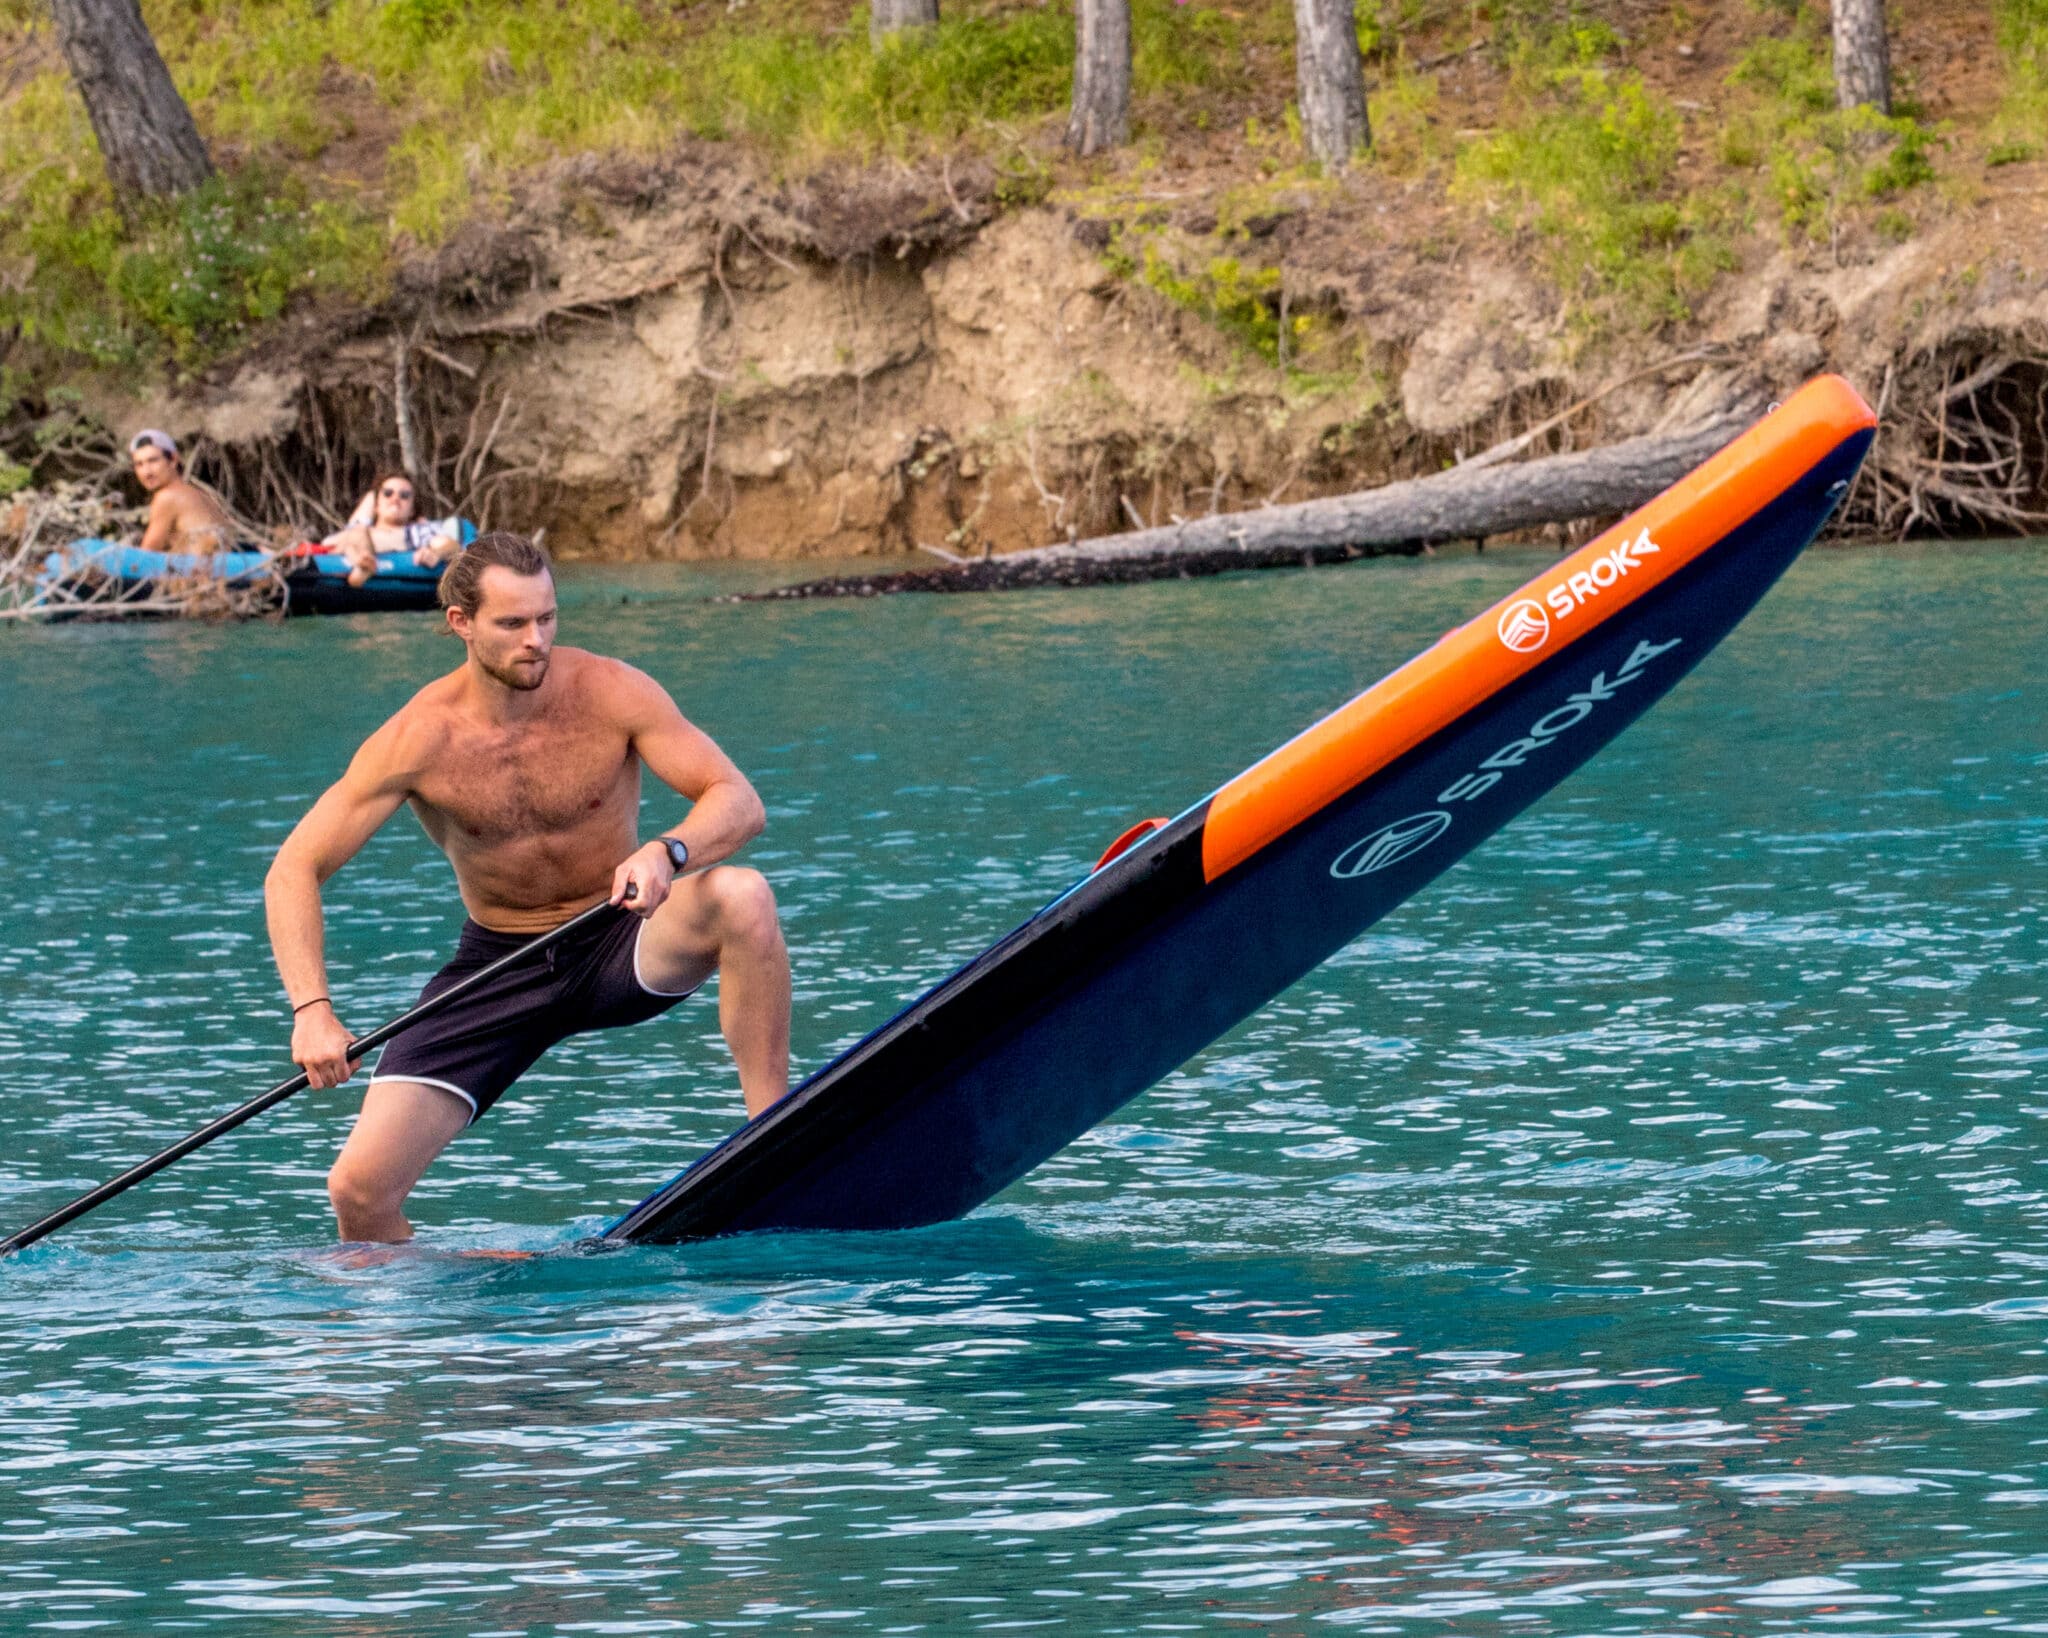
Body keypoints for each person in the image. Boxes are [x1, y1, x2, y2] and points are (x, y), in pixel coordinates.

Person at [263, 531, 791, 1245]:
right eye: (513, 623)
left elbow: (738, 799)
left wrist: (668, 852)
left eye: (547, 617)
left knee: (742, 894)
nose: (536, 639)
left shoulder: (609, 690)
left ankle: (776, 1135)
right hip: (497, 965)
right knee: (357, 1192)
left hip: (621, 933)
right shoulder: (418, 738)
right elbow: (294, 868)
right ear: (462, 624)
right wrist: (313, 1011)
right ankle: (441, 1298)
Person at [322, 471, 463, 588]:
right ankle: (362, 562)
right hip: (348, 547)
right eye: (388, 493)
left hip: (387, 560)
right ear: (375, 505)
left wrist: (435, 553)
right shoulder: (359, 528)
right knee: (357, 531)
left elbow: (450, 545)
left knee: (358, 531)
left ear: (412, 510)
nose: (395, 498)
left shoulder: (416, 531)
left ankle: (364, 565)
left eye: (404, 496)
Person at [129, 429, 235, 555]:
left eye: (153, 461)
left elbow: (144, 558)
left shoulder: (167, 497)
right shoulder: (197, 493)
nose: (146, 472)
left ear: (173, 460)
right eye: (139, 464)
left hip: (204, 574)